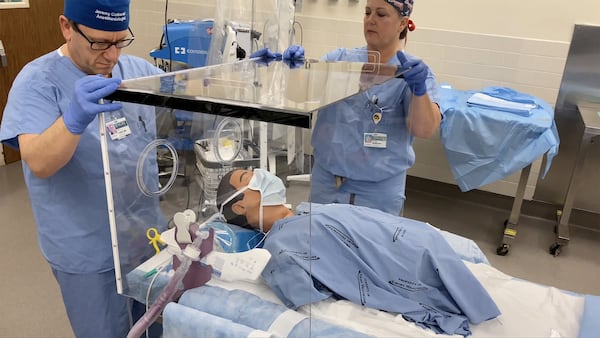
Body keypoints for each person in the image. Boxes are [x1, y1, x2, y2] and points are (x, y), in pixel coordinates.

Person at [0, 0, 164, 337]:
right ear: (66, 27)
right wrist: (72, 120)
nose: (112, 55)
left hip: (147, 238)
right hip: (88, 251)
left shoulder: (137, 71)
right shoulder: (37, 81)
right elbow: (39, 162)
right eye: (100, 43)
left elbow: (194, 101)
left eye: (119, 41)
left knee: (156, 327)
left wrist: (253, 72)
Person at [216, 168, 500, 336]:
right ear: (240, 207)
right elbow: (311, 300)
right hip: (408, 263)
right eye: (248, 176)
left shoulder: (307, 210)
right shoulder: (277, 249)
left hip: (414, 240)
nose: (261, 174)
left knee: (425, 245)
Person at [254, 0, 441, 216]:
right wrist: (294, 68)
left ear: (402, 24)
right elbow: (297, 96)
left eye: (381, 14)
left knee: (371, 247)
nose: (371, 20)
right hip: (328, 183)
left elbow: (425, 129)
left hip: (378, 191)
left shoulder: (411, 72)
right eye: (367, 12)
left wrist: (419, 92)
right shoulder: (338, 62)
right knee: (321, 244)